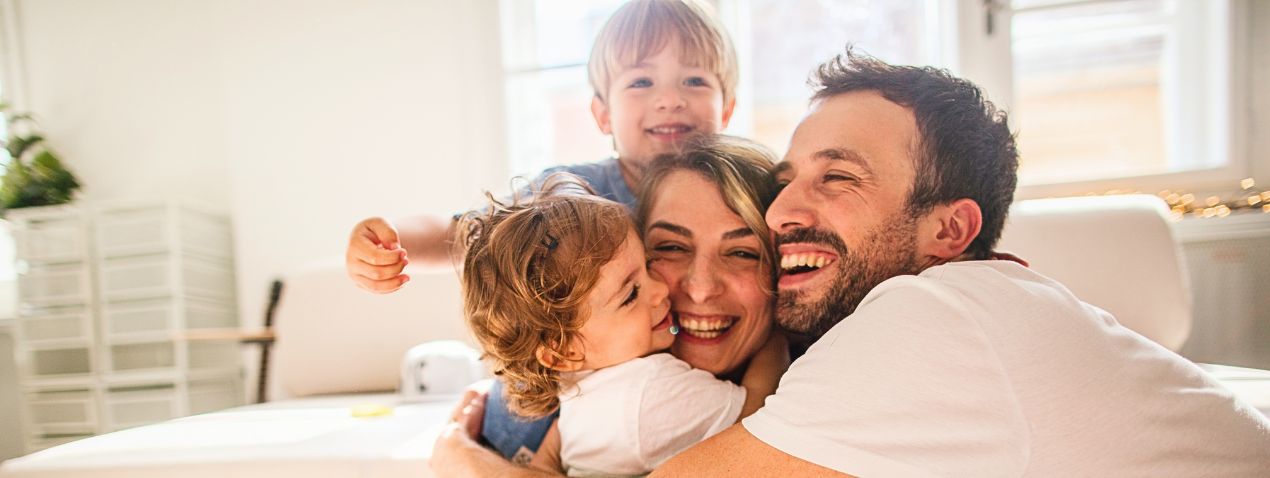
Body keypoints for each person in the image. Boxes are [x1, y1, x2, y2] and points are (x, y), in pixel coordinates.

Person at [650, 49, 1270, 476]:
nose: (781, 213)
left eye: (837, 177)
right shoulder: (993, 306)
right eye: (785, 182)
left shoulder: (932, 313)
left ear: (951, 229)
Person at [432, 135, 786, 476]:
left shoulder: (595, 372)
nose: (696, 288)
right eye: (670, 248)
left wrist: (465, 458)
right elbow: (754, 410)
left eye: (743, 253)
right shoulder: (643, 387)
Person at [344, 0, 738, 292]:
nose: (669, 99)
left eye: (694, 81)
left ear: (727, 110)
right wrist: (392, 239)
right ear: (603, 116)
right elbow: (466, 235)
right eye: (640, 82)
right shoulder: (567, 192)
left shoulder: (747, 192)